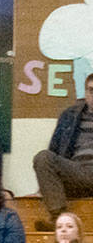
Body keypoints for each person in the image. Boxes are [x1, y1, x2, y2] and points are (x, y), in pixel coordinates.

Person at [34, 72, 93, 225]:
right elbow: (53, 150)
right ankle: (59, 219)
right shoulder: (69, 116)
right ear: (86, 93)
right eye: (91, 90)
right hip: (76, 173)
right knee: (43, 157)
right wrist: (43, 187)